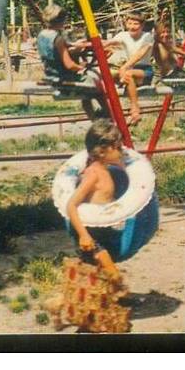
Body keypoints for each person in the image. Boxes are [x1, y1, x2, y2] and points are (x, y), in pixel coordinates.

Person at [66, 119, 126, 282]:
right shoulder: (93, 174)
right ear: (102, 151)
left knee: (96, 277)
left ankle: (85, 302)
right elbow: (71, 205)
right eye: (118, 147)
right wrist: (84, 236)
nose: (121, 151)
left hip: (103, 230)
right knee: (113, 277)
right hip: (91, 234)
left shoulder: (105, 169)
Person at [37, 5, 100, 120]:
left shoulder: (42, 34)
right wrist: (81, 66)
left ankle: (94, 118)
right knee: (99, 84)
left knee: (88, 94)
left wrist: (75, 45)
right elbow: (69, 65)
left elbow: (55, 49)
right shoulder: (58, 39)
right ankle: (106, 116)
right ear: (61, 20)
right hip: (64, 76)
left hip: (50, 73)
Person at [103, 13, 155, 125]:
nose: (132, 26)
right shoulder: (123, 35)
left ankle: (135, 110)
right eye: (129, 23)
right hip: (127, 69)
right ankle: (107, 112)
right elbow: (109, 43)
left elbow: (140, 53)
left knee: (128, 74)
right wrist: (101, 46)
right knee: (105, 76)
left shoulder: (147, 36)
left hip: (144, 70)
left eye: (135, 24)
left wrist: (125, 66)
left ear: (142, 26)